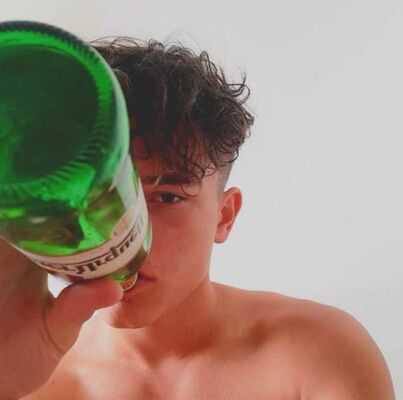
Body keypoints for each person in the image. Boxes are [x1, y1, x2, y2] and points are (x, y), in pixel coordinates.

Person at [0, 37, 395, 400]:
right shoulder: (33, 377)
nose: (120, 230)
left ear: (224, 216)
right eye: (96, 198)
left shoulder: (316, 354)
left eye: (166, 197)